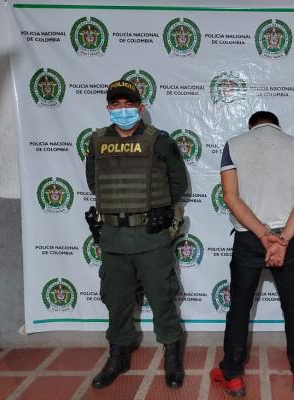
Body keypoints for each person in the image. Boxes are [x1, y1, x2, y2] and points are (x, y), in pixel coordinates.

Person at [85, 79, 188, 389]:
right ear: (108, 108)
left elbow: (178, 184)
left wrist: (156, 211)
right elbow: (94, 183)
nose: (122, 110)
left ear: (140, 108)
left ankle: (172, 356)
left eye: (128, 104)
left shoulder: (160, 141)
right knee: (116, 301)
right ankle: (118, 356)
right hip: (113, 238)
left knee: (162, 298)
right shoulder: (97, 141)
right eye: (116, 105)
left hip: (150, 237)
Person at [210, 111, 294, 396]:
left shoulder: (234, 145)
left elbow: (230, 196)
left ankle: (232, 375)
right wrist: (282, 240)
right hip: (285, 238)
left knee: (239, 308)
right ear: (277, 126)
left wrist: (261, 234)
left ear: (251, 126)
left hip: (249, 237)